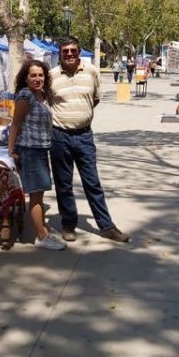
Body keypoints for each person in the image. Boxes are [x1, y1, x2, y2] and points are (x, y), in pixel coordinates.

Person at [49, 37, 130, 243]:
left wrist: (80, 116)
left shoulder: (92, 71)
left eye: (73, 50)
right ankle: (68, 225)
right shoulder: (51, 76)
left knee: (92, 182)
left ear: (78, 52)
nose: (69, 54)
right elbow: (48, 102)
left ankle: (106, 226)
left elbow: (94, 99)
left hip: (84, 136)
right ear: (60, 53)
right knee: (63, 184)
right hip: (59, 136)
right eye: (65, 51)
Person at [8, 59, 67, 251]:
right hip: (29, 149)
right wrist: (11, 150)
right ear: (26, 78)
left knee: (39, 194)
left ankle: (43, 229)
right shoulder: (26, 96)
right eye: (33, 75)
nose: (37, 78)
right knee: (35, 195)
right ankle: (41, 236)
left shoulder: (42, 95)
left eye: (40, 75)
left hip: (41, 149)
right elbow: (15, 124)